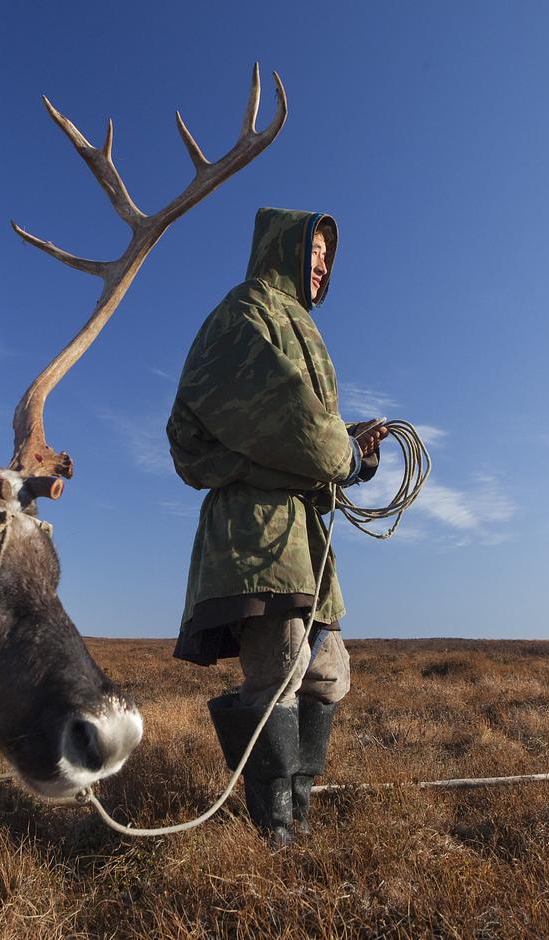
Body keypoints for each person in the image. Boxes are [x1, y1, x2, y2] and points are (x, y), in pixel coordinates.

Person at [166, 207, 387, 845]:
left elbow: (302, 431)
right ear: (282, 249)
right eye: (311, 251)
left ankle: (298, 808)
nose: (321, 264)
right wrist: (341, 455)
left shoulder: (296, 324)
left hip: (302, 530)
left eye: (327, 256)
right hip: (257, 532)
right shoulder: (246, 313)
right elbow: (285, 416)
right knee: (279, 671)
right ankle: (276, 835)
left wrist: (349, 451)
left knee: (326, 672)